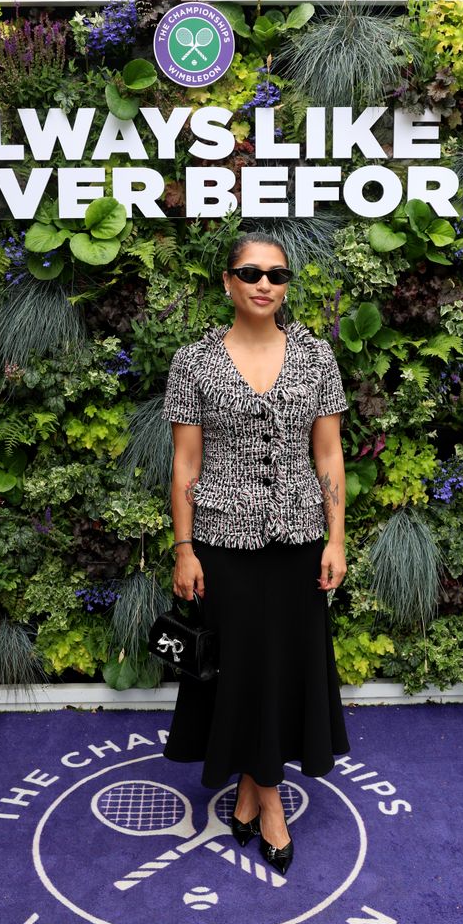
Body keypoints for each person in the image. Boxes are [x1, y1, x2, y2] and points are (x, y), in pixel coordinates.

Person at [160, 231, 350, 876]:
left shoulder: (318, 358)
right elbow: (186, 463)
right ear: (227, 283)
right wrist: (184, 548)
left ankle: (249, 792)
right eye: (250, 272)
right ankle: (271, 803)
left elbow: (328, 454)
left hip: (299, 542)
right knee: (240, 667)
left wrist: (337, 537)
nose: (264, 283)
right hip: (221, 543)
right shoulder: (193, 361)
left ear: (287, 284)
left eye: (277, 273)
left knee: (281, 668)